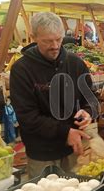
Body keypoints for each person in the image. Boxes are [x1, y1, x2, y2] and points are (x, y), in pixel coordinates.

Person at [10, 12, 97, 178]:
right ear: (33, 37)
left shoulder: (76, 64)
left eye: (58, 39)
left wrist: (88, 112)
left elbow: (91, 99)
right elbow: (27, 117)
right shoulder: (22, 70)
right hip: (42, 154)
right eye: (47, 41)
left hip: (75, 149)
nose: (55, 45)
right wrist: (65, 133)